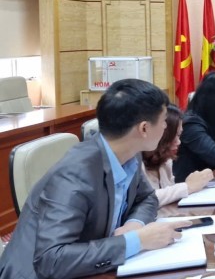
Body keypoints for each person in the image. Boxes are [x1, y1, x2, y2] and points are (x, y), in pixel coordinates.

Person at [0, 79, 191, 279]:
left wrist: (135, 224)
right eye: (163, 121)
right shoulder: (75, 174)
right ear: (144, 129)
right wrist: (136, 241)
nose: (165, 127)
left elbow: (147, 198)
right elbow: (51, 260)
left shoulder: (129, 151)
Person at [141, 104, 214, 207]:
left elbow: (169, 196)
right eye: (173, 135)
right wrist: (187, 186)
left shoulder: (166, 160)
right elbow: (144, 200)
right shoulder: (135, 161)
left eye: (179, 135)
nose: (178, 142)